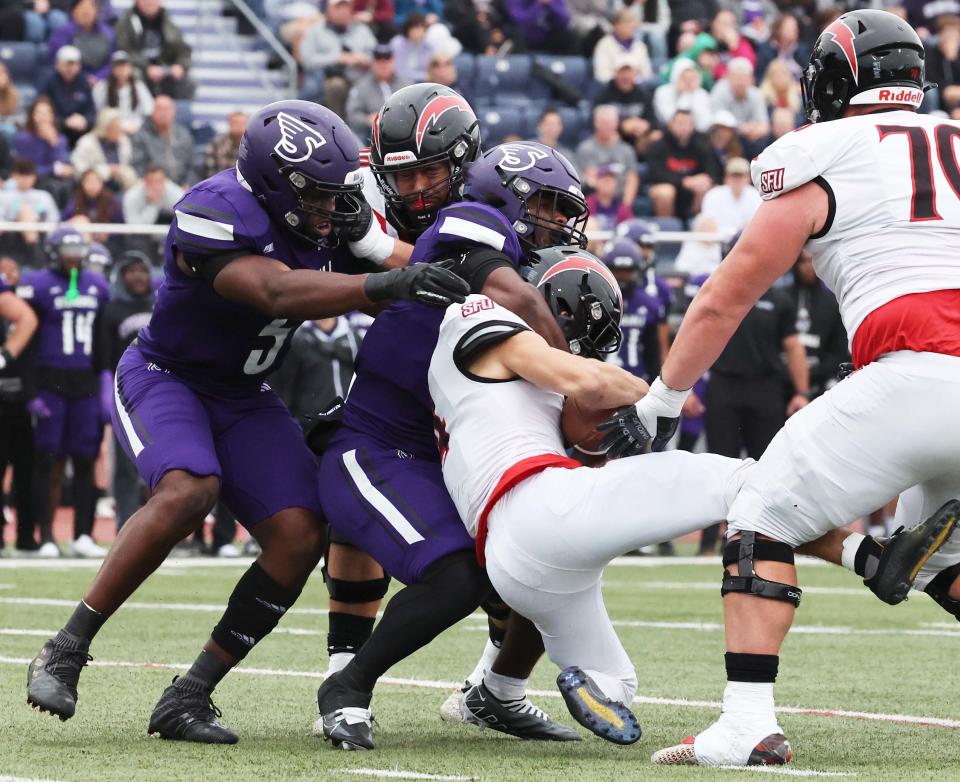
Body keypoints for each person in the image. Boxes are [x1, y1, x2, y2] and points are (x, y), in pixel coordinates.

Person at [24, 99, 467, 742]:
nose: (327, 208)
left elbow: (402, 283)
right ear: (271, 182)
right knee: (188, 489)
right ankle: (67, 647)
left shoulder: (330, 217)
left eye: (333, 194)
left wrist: (419, 273)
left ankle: (189, 695)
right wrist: (385, 283)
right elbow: (276, 292)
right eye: (313, 195)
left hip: (244, 393)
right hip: (165, 377)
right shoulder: (214, 207)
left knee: (298, 534)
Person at [602, 11, 960, 766]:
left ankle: (746, 723)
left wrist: (661, 401)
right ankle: (878, 558)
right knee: (939, 563)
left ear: (834, 81)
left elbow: (725, 297)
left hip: (915, 368)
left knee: (759, 510)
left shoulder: (823, 152)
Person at [314, 139, 586, 750]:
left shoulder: (520, 262)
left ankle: (494, 692)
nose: (558, 220)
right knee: (454, 575)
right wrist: (575, 374)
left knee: (548, 552)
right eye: (544, 203)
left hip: (437, 461)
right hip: (375, 449)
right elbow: (513, 298)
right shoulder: (476, 222)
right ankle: (347, 686)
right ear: (506, 199)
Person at [427, 248, 753, 744]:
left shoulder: (499, 375)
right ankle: (863, 553)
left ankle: (492, 688)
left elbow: (582, 433)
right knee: (739, 482)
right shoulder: (484, 318)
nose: (579, 345)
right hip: (535, 505)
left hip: (508, 551)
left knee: (616, 683)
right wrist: (660, 398)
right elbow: (586, 380)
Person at [17, 226, 111, 559]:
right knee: (47, 459)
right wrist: (30, 390)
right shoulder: (37, 284)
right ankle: (45, 537)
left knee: (85, 457)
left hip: (84, 381)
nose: (73, 260)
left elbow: (102, 340)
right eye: (67, 254)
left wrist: (104, 381)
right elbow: (26, 343)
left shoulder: (97, 285)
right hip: (49, 380)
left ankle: (83, 534)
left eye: (77, 254)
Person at [97, 250, 154, 528]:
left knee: (164, 466)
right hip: (126, 396)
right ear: (121, 276)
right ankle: (126, 526)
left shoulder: (161, 304)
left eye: (142, 270)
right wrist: (106, 390)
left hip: (160, 393)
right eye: (131, 271)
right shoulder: (112, 310)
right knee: (126, 467)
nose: (138, 276)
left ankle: (166, 531)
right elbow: (104, 357)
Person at [0, 261, 39, 554]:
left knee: (25, 471)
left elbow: (26, 318)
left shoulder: (16, 297)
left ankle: (26, 538)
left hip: (18, 396)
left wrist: (4, 356)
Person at [604, 225, 670, 384]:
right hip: (601, 378)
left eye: (628, 271)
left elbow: (655, 352)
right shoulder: (594, 300)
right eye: (618, 271)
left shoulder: (650, 302)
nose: (623, 277)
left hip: (637, 380)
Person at [269, 315, 360, 430]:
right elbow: (285, 381)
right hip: (309, 420)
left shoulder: (353, 338)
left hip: (345, 418)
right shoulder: (299, 338)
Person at [786, 249, 848, 402]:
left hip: (822, 382)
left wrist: (813, 372)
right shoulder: (782, 300)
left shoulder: (832, 304)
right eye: (803, 261)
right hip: (782, 381)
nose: (808, 266)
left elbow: (839, 350)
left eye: (812, 261)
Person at [298, 0, 377, 118]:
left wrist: (363, 59)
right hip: (324, 79)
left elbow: (376, 55)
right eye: (338, 7)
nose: (342, 12)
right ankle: (336, 127)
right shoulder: (315, 30)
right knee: (335, 86)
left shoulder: (362, 30)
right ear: (328, 9)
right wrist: (336, 58)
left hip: (359, 78)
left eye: (345, 7)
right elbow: (306, 60)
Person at [647, 109, 721, 220]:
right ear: (671, 124)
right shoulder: (659, 145)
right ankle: (668, 228)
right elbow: (655, 174)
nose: (684, 128)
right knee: (665, 192)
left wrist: (704, 180)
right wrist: (684, 181)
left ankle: (695, 224)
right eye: (680, 124)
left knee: (706, 186)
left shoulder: (701, 145)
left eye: (688, 124)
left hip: (693, 194)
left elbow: (713, 171)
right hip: (667, 188)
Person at [114, 0, 194, 100]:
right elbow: (124, 51)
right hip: (140, 70)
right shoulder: (125, 23)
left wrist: (180, 66)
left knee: (189, 82)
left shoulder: (169, 21)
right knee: (134, 75)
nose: (149, 2)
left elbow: (183, 50)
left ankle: (174, 114)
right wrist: (147, 67)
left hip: (165, 71)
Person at [574, 104, 639, 209]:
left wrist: (625, 206)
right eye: (603, 122)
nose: (606, 126)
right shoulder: (585, 149)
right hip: (592, 205)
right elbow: (588, 178)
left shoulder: (626, 150)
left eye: (609, 123)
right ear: (596, 123)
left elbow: (632, 178)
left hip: (620, 203)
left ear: (616, 124)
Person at [130, 95, 195, 186]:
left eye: (168, 109)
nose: (164, 113)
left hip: (182, 187)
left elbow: (192, 165)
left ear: (174, 112)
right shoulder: (142, 136)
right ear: (153, 112)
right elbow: (139, 166)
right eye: (160, 109)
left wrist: (188, 184)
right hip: (154, 187)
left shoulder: (183, 135)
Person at [345, 44, 408, 139]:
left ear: (393, 61)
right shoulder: (361, 86)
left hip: (402, 131)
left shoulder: (405, 84)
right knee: (355, 135)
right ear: (373, 63)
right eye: (379, 60)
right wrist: (367, 119)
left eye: (387, 59)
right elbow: (352, 115)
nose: (383, 64)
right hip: (371, 135)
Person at [39, 46, 95, 147]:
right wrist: (64, 122)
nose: (69, 68)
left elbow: (91, 110)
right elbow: (42, 110)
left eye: (73, 64)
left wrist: (85, 119)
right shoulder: (49, 82)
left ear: (79, 65)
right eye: (66, 64)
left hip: (81, 129)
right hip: (57, 127)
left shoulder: (83, 82)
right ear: (57, 64)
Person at [71, 108, 138, 191]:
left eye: (119, 127)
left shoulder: (124, 141)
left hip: (121, 184)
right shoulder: (86, 143)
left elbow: (130, 165)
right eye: (115, 128)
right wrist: (107, 170)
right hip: (94, 187)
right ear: (105, 128)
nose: (119, 131)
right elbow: (79, 170)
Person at [47, 0, 115, 83]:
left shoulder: (107, 33)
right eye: (83, 9)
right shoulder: (62, 33)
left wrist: (97, 78)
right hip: (71, 81)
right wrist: (83, 79)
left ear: (96, 11)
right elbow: (58, 61)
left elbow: (112, 61)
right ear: (74, 11)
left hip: (102, 81)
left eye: (90, 8)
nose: (86, 12)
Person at [92, 50, 154, 135]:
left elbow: (149, 110)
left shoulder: (139, 87)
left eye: (124, 66)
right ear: (112, 69)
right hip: (111, 130)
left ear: (130, 68)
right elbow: (98, 112)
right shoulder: (101, 88)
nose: (122, 69)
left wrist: (138, 126)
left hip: (136, 130)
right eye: (118, 66)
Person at [15, 97, 73, 182]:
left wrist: (53, 143)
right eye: (39, 113)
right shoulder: (25, 138)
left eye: (47, 113)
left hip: (57, 181)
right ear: (32, 115)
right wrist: (53, 169)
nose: (43, 116)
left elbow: (63, 166)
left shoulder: (61, 139)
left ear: (52, 116)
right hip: (34, 181)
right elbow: (28, 169)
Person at [700, 156, 761, 235]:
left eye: (741, 176)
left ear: (748, 178)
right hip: (717, 242)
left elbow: (755, 226)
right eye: (734, 176)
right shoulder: (713, 195)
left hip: (746, 242)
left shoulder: (756, 195)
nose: (737, 179)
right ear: (726, 178)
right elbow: (708, 225)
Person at [592, 9, 652, 83]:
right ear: (616, 24)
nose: (631, 26)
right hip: (612, 89)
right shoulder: (604, 44)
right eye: (626, 22)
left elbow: (647, 75)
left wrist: (633, 78)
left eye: (632, 22)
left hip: (636, 88)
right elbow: (602, 75)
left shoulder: (640, 46)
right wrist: (622, 77)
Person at [201, 109, 246, 180]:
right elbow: (210, 171)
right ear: (229, 123)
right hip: (219, 184)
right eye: (235, 123)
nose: (239, 126)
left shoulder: (252, 146)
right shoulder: (216, 143)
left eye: (242, 123)